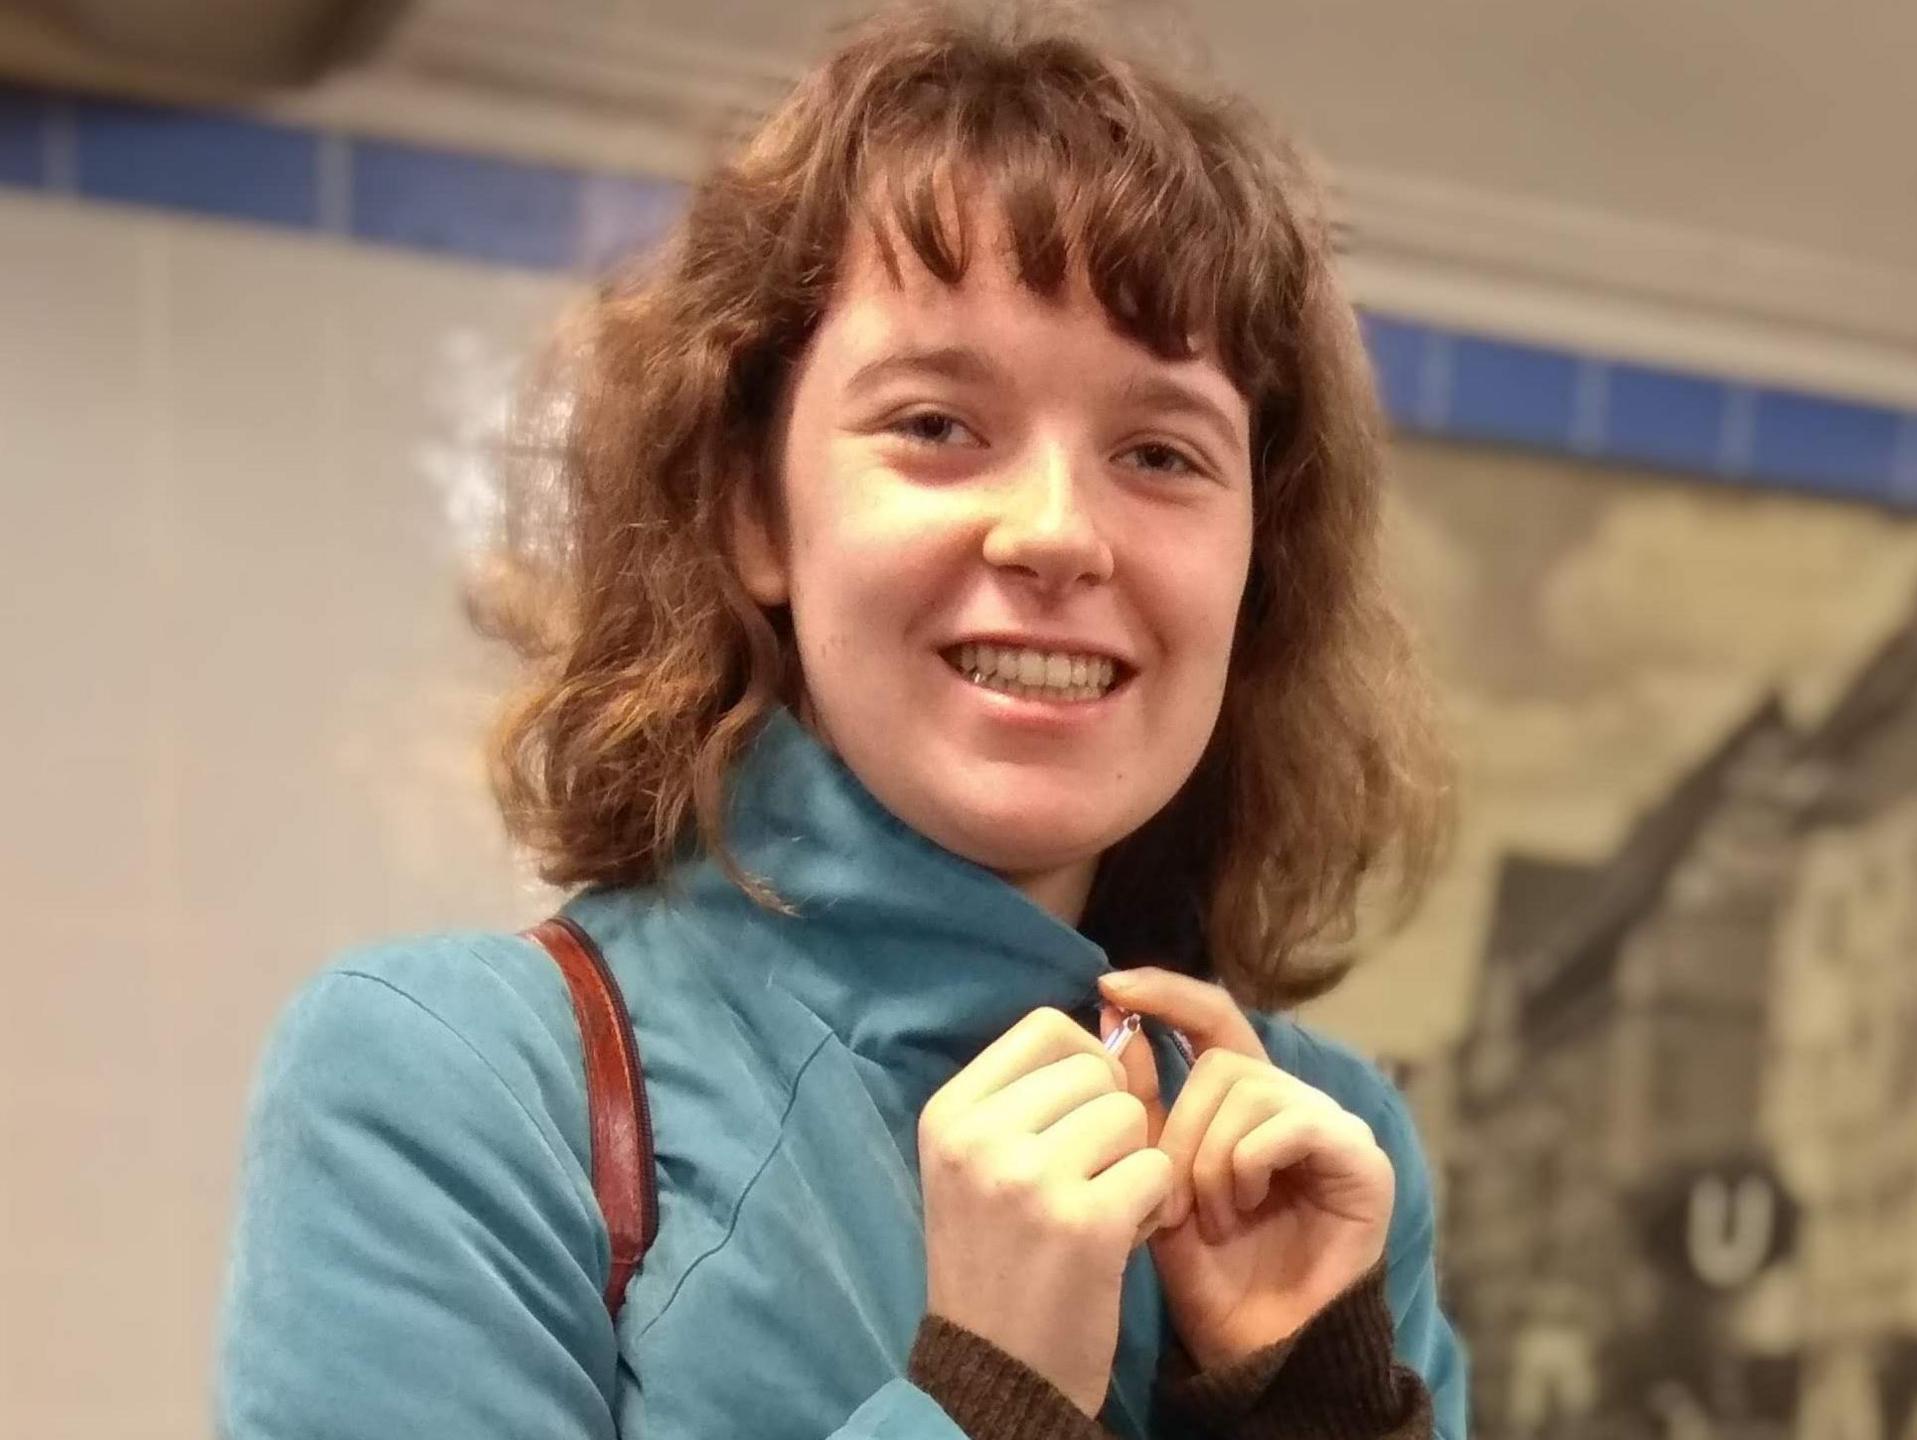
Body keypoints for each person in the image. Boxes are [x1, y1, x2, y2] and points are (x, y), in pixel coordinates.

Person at [212, 4, 1464, 1438]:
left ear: (1258, 561)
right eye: (937, 425)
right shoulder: (453, 1087)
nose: (1059, 533)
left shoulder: (1329, 1153)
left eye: (1162, 451)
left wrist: (1308, 1412)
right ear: (756, 509)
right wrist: (986, 1400)